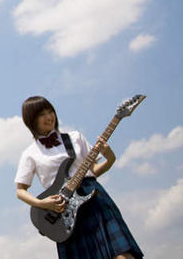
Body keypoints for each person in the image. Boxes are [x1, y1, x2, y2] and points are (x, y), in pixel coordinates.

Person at [14, 96, 143, 259]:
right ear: (31, 121)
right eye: (42, 114)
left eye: (50, 111)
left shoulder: (75, 137)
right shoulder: (30, 154)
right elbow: (20, 191)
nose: (49, 117)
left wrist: (110, 159)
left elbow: (94, 170)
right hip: (63, 212)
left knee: (122, 254)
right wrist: (42, 203)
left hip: (94, 199)